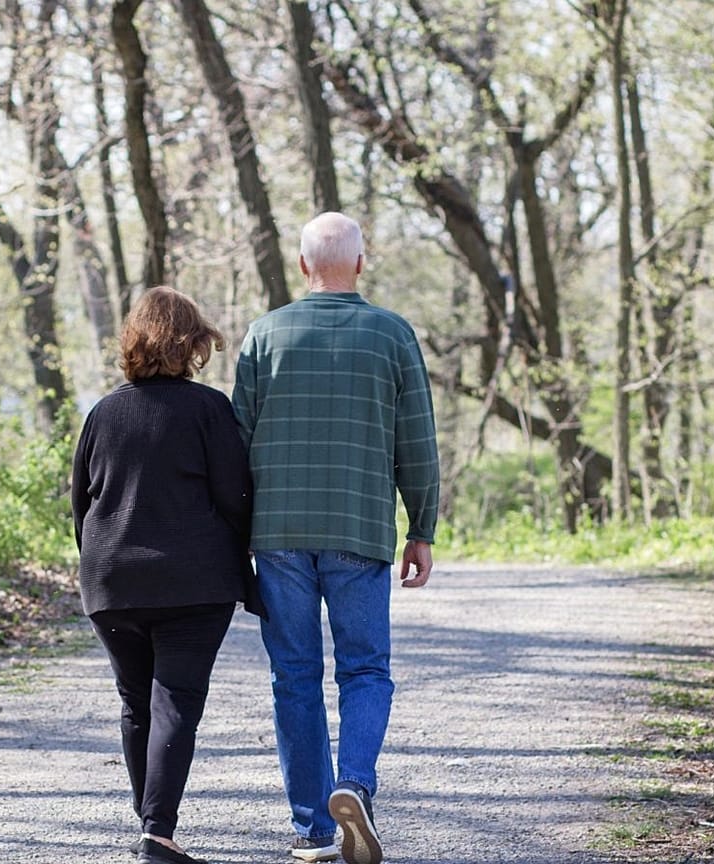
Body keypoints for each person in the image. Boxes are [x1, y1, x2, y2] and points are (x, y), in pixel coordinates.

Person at [231, 212, 440, 864]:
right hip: (358, 527)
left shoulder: (265, 335)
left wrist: (235, 534)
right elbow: (418, 443)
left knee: (293, 676)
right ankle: (353, 784)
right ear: (360, 262)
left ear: (302, 267)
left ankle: (313, 828)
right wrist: (422, 528)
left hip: (279, 535)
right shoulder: (391, 334)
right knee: (365, 669)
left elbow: (235, 445)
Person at [71, 286, 262, 864]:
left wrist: (100, 560)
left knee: (136, 701)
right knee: (175, 699)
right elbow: (236, 496)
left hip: (111, 580)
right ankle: (156, 832)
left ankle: (152, 824)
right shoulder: (208, 410)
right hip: (193, 583)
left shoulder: (103, 412)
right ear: (193, 343)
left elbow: (81, 502)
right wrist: (248, 557)